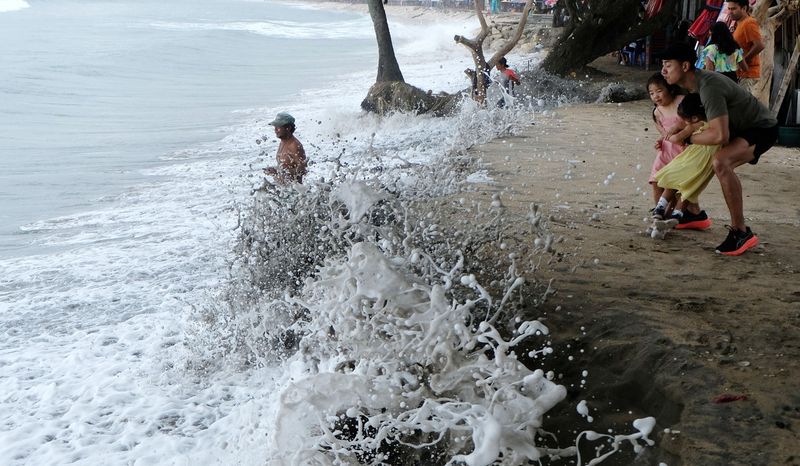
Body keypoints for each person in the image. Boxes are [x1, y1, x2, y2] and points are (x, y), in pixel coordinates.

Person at [660, 42, 778, 255]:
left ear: (685, 66)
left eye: (668, 65)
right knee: (697, 157)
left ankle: (741, 233)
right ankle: (693, 213)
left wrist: (687, 139)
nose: (663, 70)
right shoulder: (694, 85)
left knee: (721, 162)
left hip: (761, 128)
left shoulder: (708, 87)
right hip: (739, 128)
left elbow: (719, 135)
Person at [652, 94, 720, 220]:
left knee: (673, 178)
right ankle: (677, 214)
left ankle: (660, 207)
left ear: (694, 118)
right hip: (706, 163)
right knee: (689, 188)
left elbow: (678, 138)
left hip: (691, 158)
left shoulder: (695, 125)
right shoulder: (717, 125)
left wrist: (669, 134)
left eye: (685, 119)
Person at [647, 73, 686, 213]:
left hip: (683, 151)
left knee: (676, 184)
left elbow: (694, 122)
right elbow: (664, 133)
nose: (655, 96)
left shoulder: (682, 101)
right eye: (651, 93)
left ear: (671, 89)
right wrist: (660, 141)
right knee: (656, 180)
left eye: (659, 91)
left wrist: (679, 130)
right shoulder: (657, 112)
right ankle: (659, 210)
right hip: (666, 151)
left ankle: (672, 211)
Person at [728, 0, 764, 91]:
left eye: (733, 9)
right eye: (729, 9)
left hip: (748, 74)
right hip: (740, 74)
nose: (730, 12)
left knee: (742, 104)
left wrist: (744, 61)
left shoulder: (749, 23)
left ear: (744, 8)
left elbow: (759, 45)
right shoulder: (739, 24)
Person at [264, 112, 307, 184]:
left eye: (278, 127)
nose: (275, 130)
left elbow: (303, 170)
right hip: (283, 189)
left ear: (288, 128)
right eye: (275, 127)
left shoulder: (294, 145)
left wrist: (277, 172)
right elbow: (285, 166)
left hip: (294, 191)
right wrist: (274, 170)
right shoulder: (283, 142)